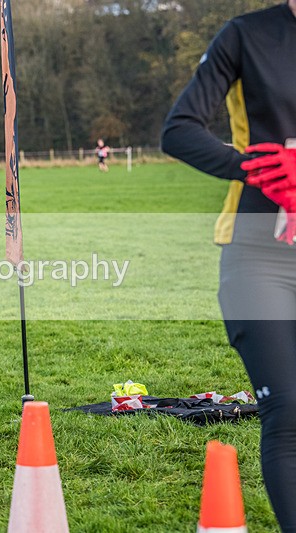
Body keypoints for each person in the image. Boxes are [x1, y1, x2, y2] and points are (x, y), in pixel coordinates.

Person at [161, 1, 296, 530]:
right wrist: (256, 169)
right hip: (260, 253)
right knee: (288, 411)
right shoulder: (247, 35)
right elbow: (179, 129)